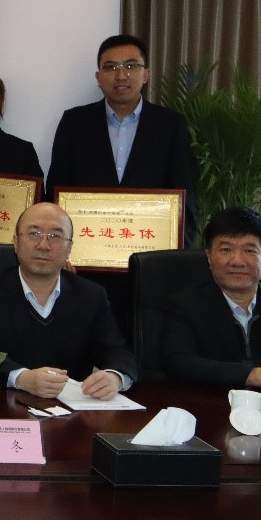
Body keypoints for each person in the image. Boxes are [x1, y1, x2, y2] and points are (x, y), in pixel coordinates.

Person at [45, 34, 197, 334]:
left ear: (146, 73)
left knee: (142, 347)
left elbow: (185, 198)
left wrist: (175, 258)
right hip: (83, 269)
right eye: (111, 67)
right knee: (85, 345)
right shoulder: (75, 123)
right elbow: (56, 192)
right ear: (98, 76)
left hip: (149, 269)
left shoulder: (170, 125)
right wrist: (57, 251)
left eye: (131, 66)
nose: (121, 75)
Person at [0, 202, 137, 399]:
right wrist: (21, 378)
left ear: (69, 248)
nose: (43, 245)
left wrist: (114, 376)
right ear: (16, 242)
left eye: (55, 236)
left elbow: (116, 350)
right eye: (34, 233)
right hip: (1, 404)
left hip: (71, 409)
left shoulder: (91, 295)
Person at [162, 207, 261, 390]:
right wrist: (252, 375)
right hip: (209, 403)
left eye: (249, 250)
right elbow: (178, 363)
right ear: (209, 258)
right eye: (226, 249)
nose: (237, 261)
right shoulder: (184, 305)